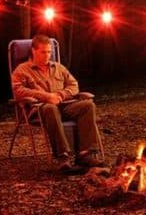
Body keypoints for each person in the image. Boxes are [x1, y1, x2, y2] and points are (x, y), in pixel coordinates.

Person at [11, 34, 104, 173]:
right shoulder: (22, 70)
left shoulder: (58, 67)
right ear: (33, 51)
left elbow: (74, 85)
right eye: (43, 52)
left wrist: (61, 95)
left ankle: (84, 154)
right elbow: (18, 91)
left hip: (64, 105)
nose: (47, 55)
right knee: (50, 108)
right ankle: (63, 158)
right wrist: (46, 96)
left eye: (49, 52)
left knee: (88, 105)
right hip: (40, 109)